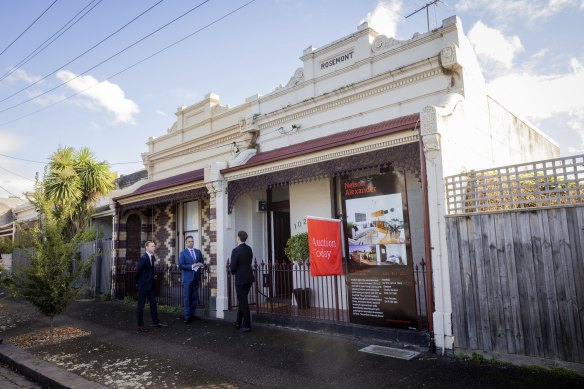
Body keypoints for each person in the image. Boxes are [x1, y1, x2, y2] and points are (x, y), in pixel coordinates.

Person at [135, 240, 168, 332]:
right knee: (140, 306)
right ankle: (140, 325)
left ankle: (156, 322)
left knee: (153, 304)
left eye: (154, 246)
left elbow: (149, 270)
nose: (154, 247)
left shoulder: (152, 257)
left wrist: (152, 276)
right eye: (152, 246)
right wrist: (138, 283)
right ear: (147, 247)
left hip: (150, 286)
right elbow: (138, 271)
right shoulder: (144, 258)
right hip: (143, 286)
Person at [230, 230, 255, 333]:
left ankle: (247, 325)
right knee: (242, 300)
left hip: (240, 279)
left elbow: (233, 266)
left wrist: (234, 271)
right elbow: (249, 261)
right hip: (249, 278)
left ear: (238, 238)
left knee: (243, 302)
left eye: (237, 237)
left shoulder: (235, 250)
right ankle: (238, 322)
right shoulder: (249, 249)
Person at [178, 235, 205, 323]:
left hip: (196, 277)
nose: (191, 243)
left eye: (192, 241)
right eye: (189, 241)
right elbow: (181, 266)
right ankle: (187, 316)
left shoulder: (198, 252)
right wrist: (191, 266)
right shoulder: (183, 253)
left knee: (194, 297)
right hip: (187, 278)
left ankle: (192, 314)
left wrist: (201, 265)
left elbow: (202, 262)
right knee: (187, 297)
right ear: (186, 243)